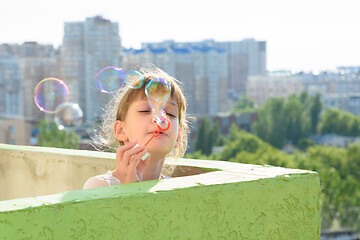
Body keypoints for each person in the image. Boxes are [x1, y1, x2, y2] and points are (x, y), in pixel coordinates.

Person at [83, 65, 189, 189]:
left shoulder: (175, 189)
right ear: (121, 130)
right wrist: (128, 189)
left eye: (170, 113)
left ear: (178, 137)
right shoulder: (99, 187)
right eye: (145, 110)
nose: (159, 118)